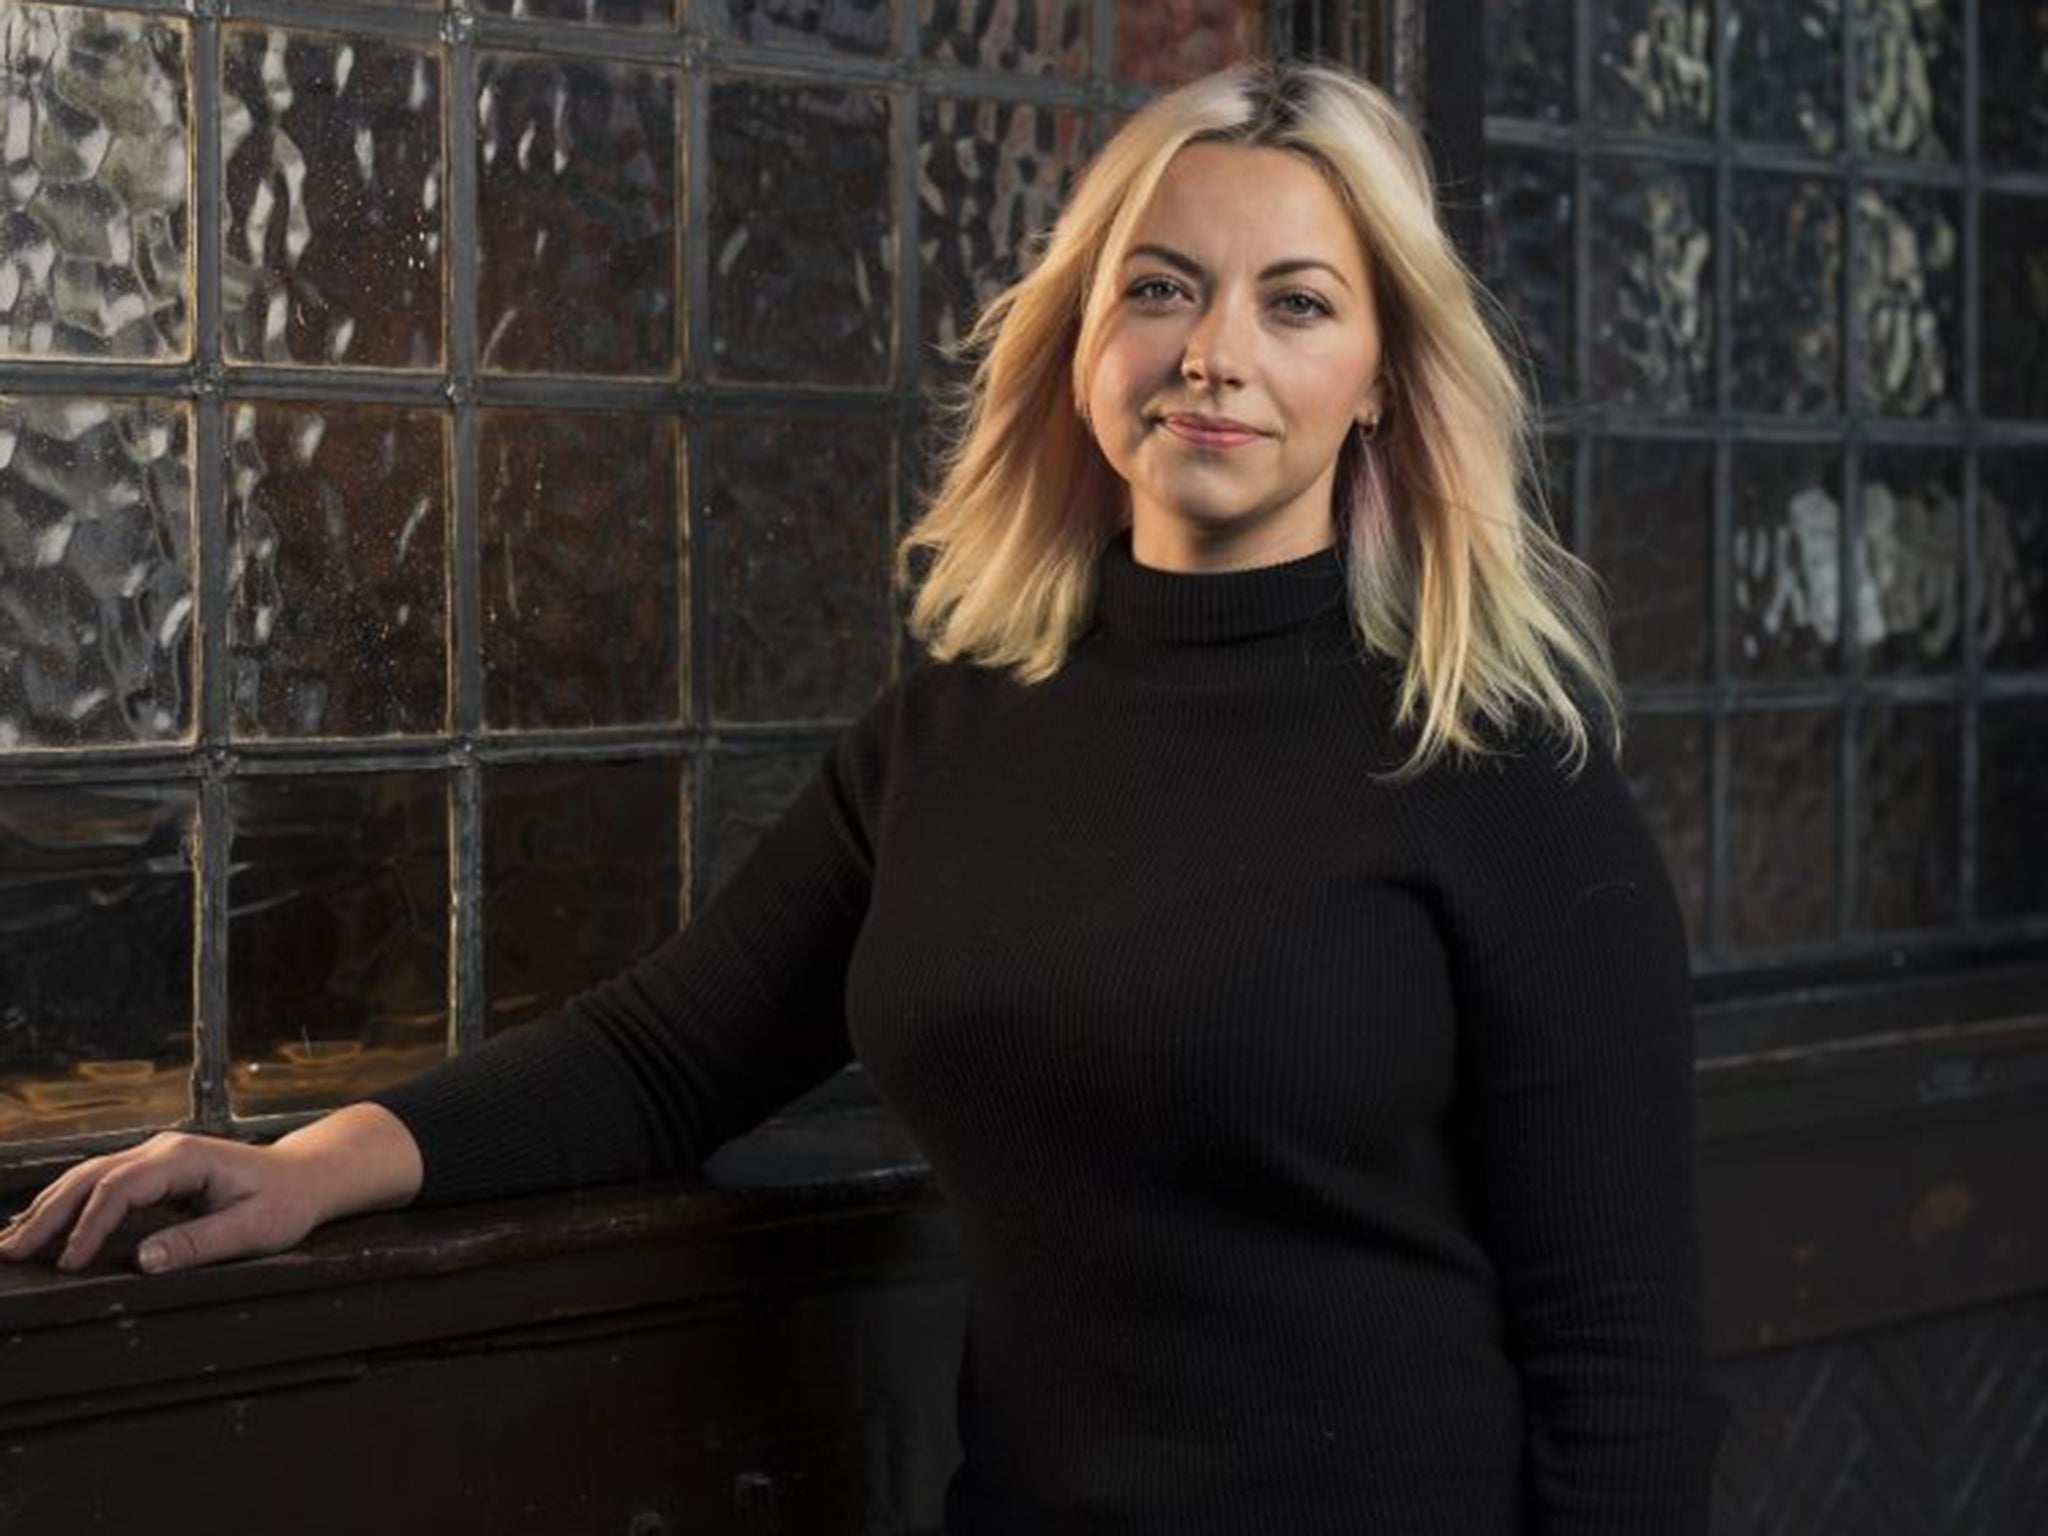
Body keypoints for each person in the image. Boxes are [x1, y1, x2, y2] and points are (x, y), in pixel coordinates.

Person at [2, 57, 1729, 1533]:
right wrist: (306, 1169)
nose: (1215, 351)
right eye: (1161, 285)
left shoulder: (1502, 776)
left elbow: (1624, 1354)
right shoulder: (952, 733)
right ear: (1080, 339)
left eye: (1297, 302)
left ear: (1377, 384)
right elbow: (668, 1054)